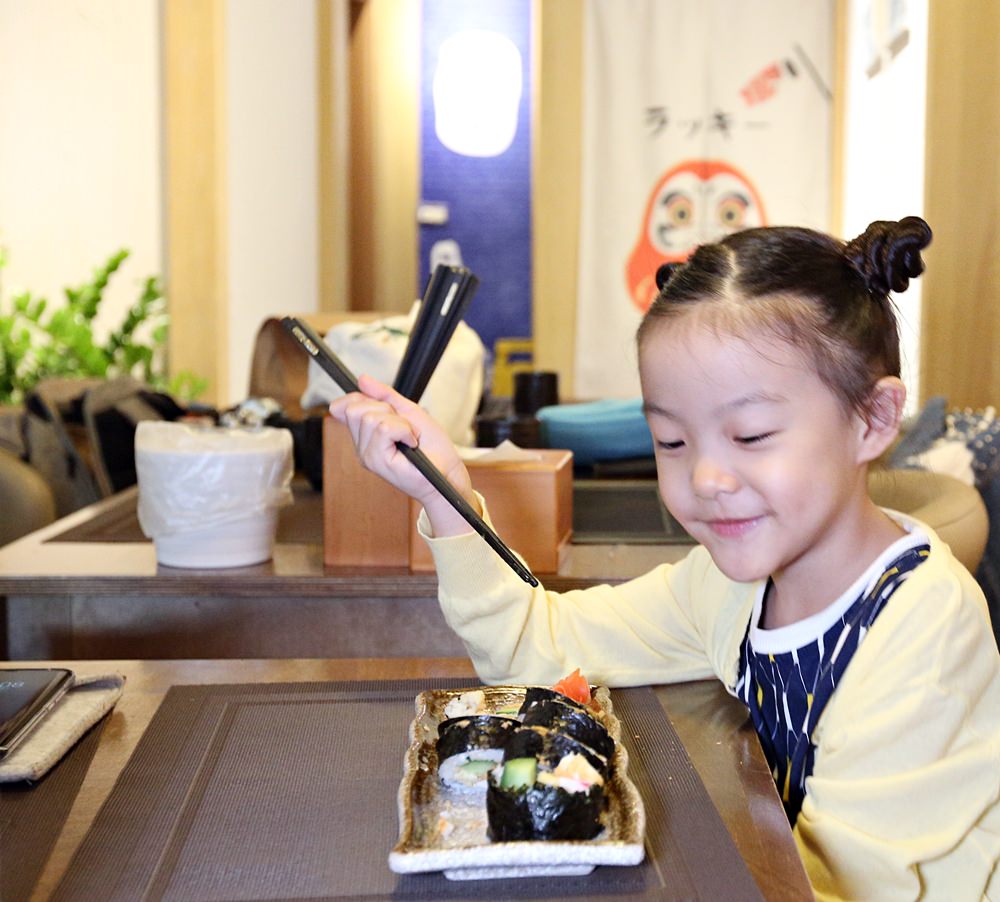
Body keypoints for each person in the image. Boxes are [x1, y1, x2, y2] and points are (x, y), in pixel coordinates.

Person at [329, 217, 1000, 900]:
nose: (705, 478)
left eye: (751, 434)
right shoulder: (735, 586)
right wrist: (445, 489)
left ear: (873, 419)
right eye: (671, 442)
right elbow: (539, 648)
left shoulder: (921, 627)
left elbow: (838, 888)